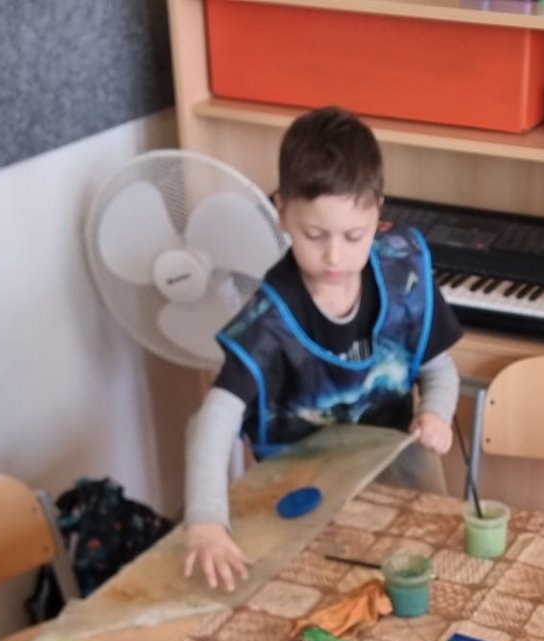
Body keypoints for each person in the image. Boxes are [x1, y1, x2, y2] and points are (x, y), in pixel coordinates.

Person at [181, 106, 463, 591]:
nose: (334, 255)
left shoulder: (403, 274)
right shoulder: (269, 321)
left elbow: (440, 370)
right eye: (314, 235)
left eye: (353, 236)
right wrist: (206, 521)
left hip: (395, 486)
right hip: (303, 506)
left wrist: (436, 413)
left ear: (377, 212)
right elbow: (214, 420)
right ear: (282, 211)